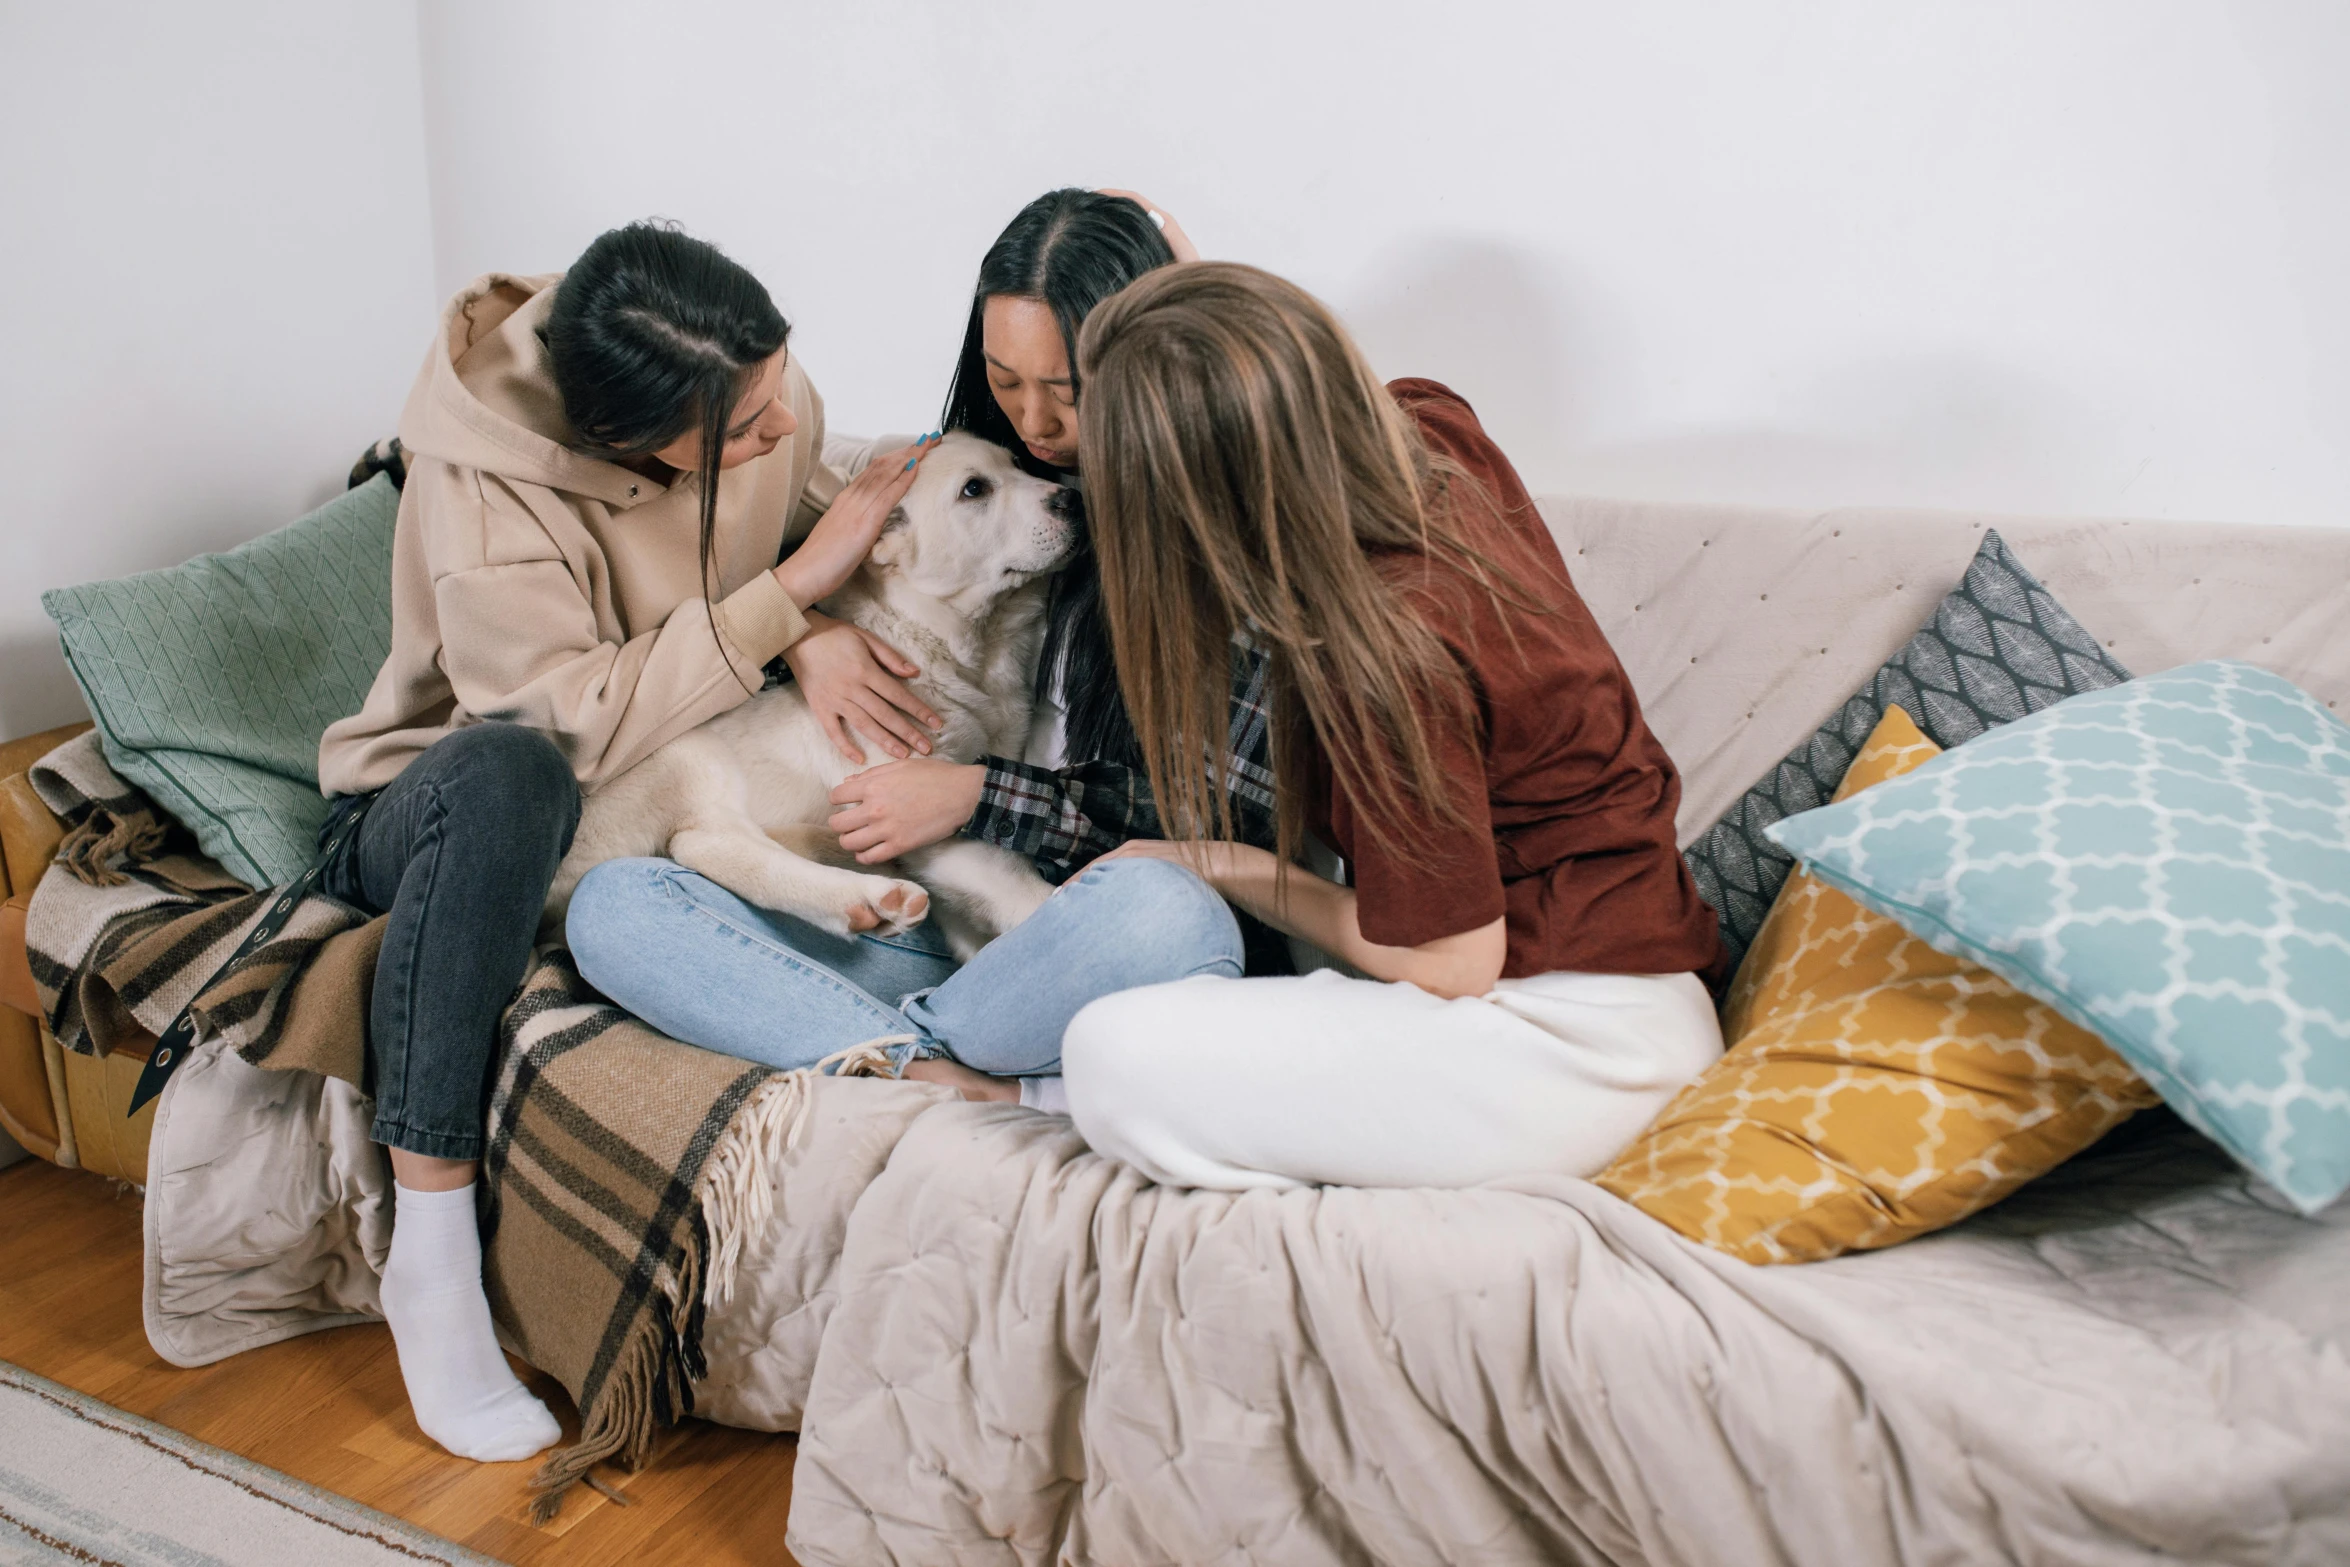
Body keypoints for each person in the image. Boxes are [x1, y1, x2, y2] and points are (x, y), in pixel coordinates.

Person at [314, 220, 943, 1462]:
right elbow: (563, 727)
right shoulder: (481, 481)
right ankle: (430, 1258)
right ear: (625, 447)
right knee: (509, 774)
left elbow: (798, 528)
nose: (783, 427)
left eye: (778, 390)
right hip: (444, 801)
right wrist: (784, 602)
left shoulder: (744, 384)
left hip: (663, 774)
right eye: (747, 428)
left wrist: (806, 621)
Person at [565, 189, 1275, 1111]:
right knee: (614, 912)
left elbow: (1217, 822)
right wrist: (809, 630)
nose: (1036, 427)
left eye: (1063, 391)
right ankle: (951, 1066)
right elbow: (823, 551)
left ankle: (879, 1045)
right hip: (900, 933)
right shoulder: (958, 500)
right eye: (1004, 380)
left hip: (1065, 924)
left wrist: (980, 795)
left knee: (1173, 915)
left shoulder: (1208, 534)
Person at [1051, 262, 1730, 1190]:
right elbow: (1264, 382)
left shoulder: (1384, 651)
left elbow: (1453, 966)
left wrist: (1211, 860)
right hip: (1636, 995)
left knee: (1107, 1054)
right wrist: (1180, 298)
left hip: (1573, 1047)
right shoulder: (1431, 429)